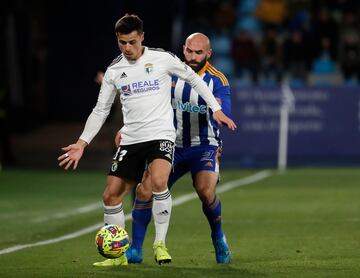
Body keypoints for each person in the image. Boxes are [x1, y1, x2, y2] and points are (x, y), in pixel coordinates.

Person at [57, 14, 236, 267]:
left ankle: (181, 241)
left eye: (131, 42)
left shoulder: (169, 62)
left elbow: (197, 82)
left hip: (184, 141)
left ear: (141, 37)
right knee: (125, 194)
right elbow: (108, 108)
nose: (127, 48)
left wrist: (216, 110)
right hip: (146, 140)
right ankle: (126, 253)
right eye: (122, 43)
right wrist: (85, 141)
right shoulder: (116, 70)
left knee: (189, 188)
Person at [118, 32, 233, 264]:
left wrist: (220, 113)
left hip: (205, 146)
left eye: (198, 52)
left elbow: (224, 110)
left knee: (205, 191)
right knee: (144, 190)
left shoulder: (217, 80)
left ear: (208, 54)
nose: (192, 56)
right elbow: (147, 103)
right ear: (183, 49)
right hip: (171, 144)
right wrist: (126, 126)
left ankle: (218, 236)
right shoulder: (168, 72)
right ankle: (136, 250)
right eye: (189, 51)